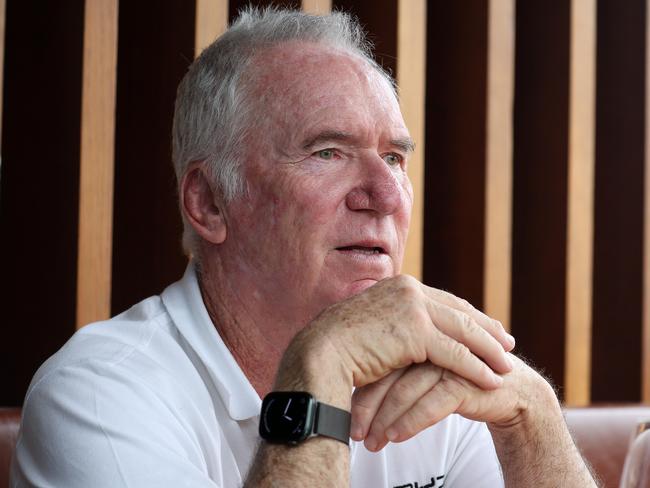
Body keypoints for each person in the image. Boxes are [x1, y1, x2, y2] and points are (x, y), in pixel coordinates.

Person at [11, 7, 597, 487]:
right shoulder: (98, 398)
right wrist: (318, 370)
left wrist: (531, 420)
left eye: (394, 157)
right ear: (209, 202)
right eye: (328, 152)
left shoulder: (438, 382)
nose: (386, 193)